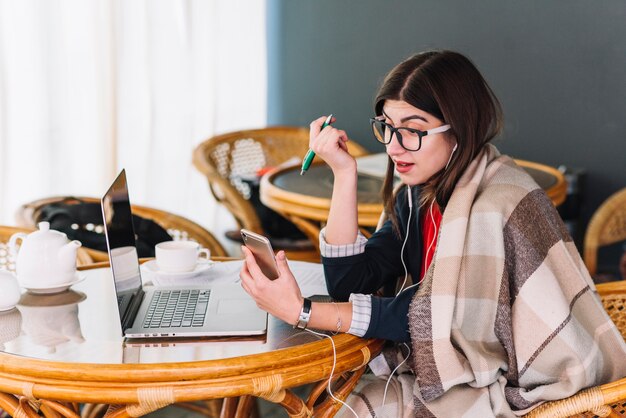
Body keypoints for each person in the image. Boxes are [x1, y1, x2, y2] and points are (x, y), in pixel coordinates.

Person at [239, 50, 626, 417]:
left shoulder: (497, 204)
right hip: (468, 368)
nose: (394, 146)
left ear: (459, 129)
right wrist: (344, 173)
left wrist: (302, 311)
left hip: (531, 380)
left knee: (350, 404)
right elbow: (350, 282)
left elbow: (434, 317)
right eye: (387, 128)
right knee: (345, 399)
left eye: (412, 130)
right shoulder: (419, 193)